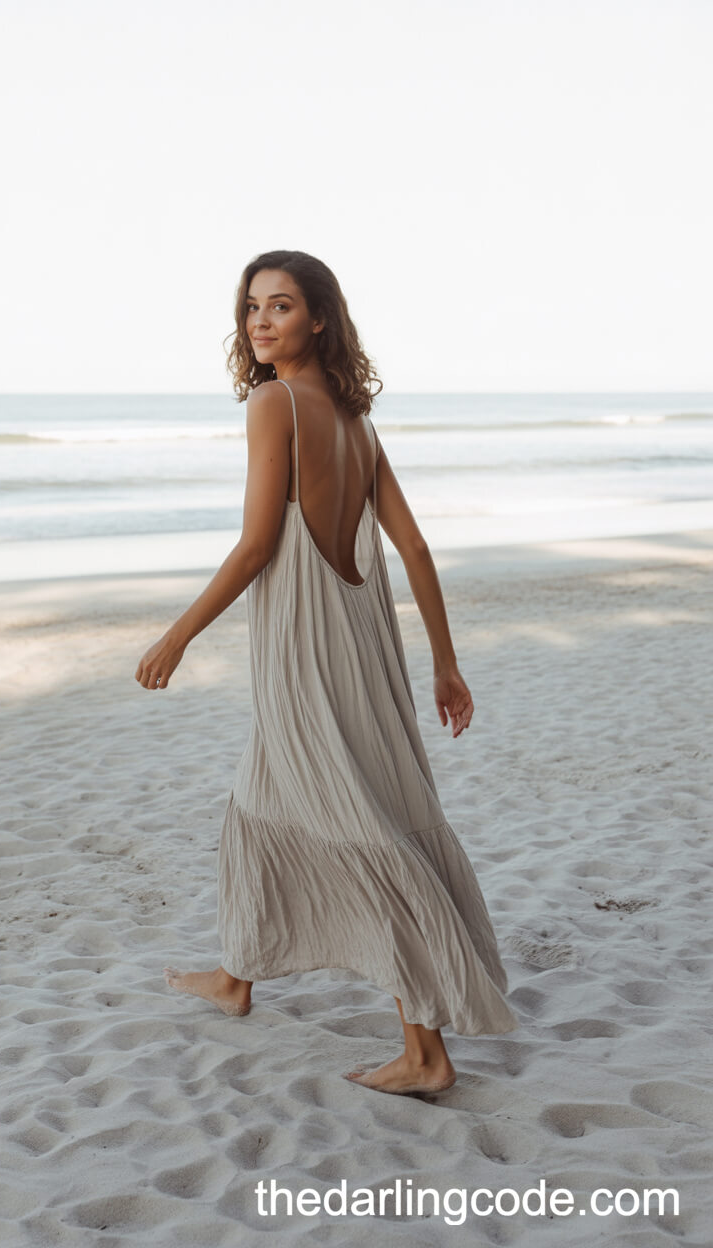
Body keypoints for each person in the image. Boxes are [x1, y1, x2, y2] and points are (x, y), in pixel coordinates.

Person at [135, 249, 518, 1097]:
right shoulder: (356, 418)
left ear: (318, 319)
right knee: (262, 800)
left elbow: (256, 548)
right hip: (361, 643)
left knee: (358, 826)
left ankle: (424, 1053)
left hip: (307, 649)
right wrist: (445, 667)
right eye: (251, 308)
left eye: (280, 306)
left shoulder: (273, 406)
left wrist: (177, 637)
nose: (261, 322)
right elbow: (412, 547)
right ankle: (239, 976)